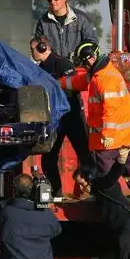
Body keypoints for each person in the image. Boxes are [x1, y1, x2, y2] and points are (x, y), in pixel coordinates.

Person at [68, 41, 130, 198]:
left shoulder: (105, 79)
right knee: (128, 164)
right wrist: (57, 84)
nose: (84, 66)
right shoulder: (99, 74)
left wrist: (106, 135)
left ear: (91, 58)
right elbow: (78, 82)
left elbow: (110, 110)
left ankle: (111, 196)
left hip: (110, 136)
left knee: (105, 168)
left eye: (84, 62)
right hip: (122, 133)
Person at [31, 34, 92, 196]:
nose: (32, 53)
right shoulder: (40, 69)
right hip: (55, 120)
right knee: (48, 158)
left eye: (33, 49)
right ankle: (56, 194)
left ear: (43, 47)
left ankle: (93, 190)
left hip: (72, 117)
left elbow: (73, 87)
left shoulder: (62, 63)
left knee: (85, 155)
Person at [75, 147, 130, 259]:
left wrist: (121, 161)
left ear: (89, 179)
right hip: (120, 228)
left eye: (81, 184)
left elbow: (112, 176)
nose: (81, 188)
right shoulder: (96, 189)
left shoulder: (101, 185)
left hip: (128, 226)